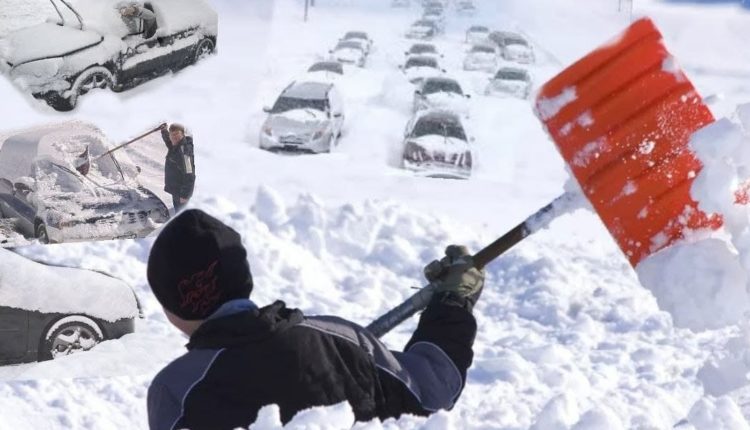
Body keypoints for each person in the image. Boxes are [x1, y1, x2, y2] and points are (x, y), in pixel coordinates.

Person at [146, 209, 484, 430]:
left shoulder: (175, 390)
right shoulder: (344, 340)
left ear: (171, 307)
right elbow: (434, 390)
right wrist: (454, 300)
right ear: (243, 278)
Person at [159, 123, 195, 214]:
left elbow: (189, 175)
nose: (174, 137)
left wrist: (185, 195)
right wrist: (164, 131)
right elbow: (168, 141)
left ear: (182, 134)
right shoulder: (176, 145)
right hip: (177, 191)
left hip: (182, 193)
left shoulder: (184, 152)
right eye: (172, 134)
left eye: (176, 134)